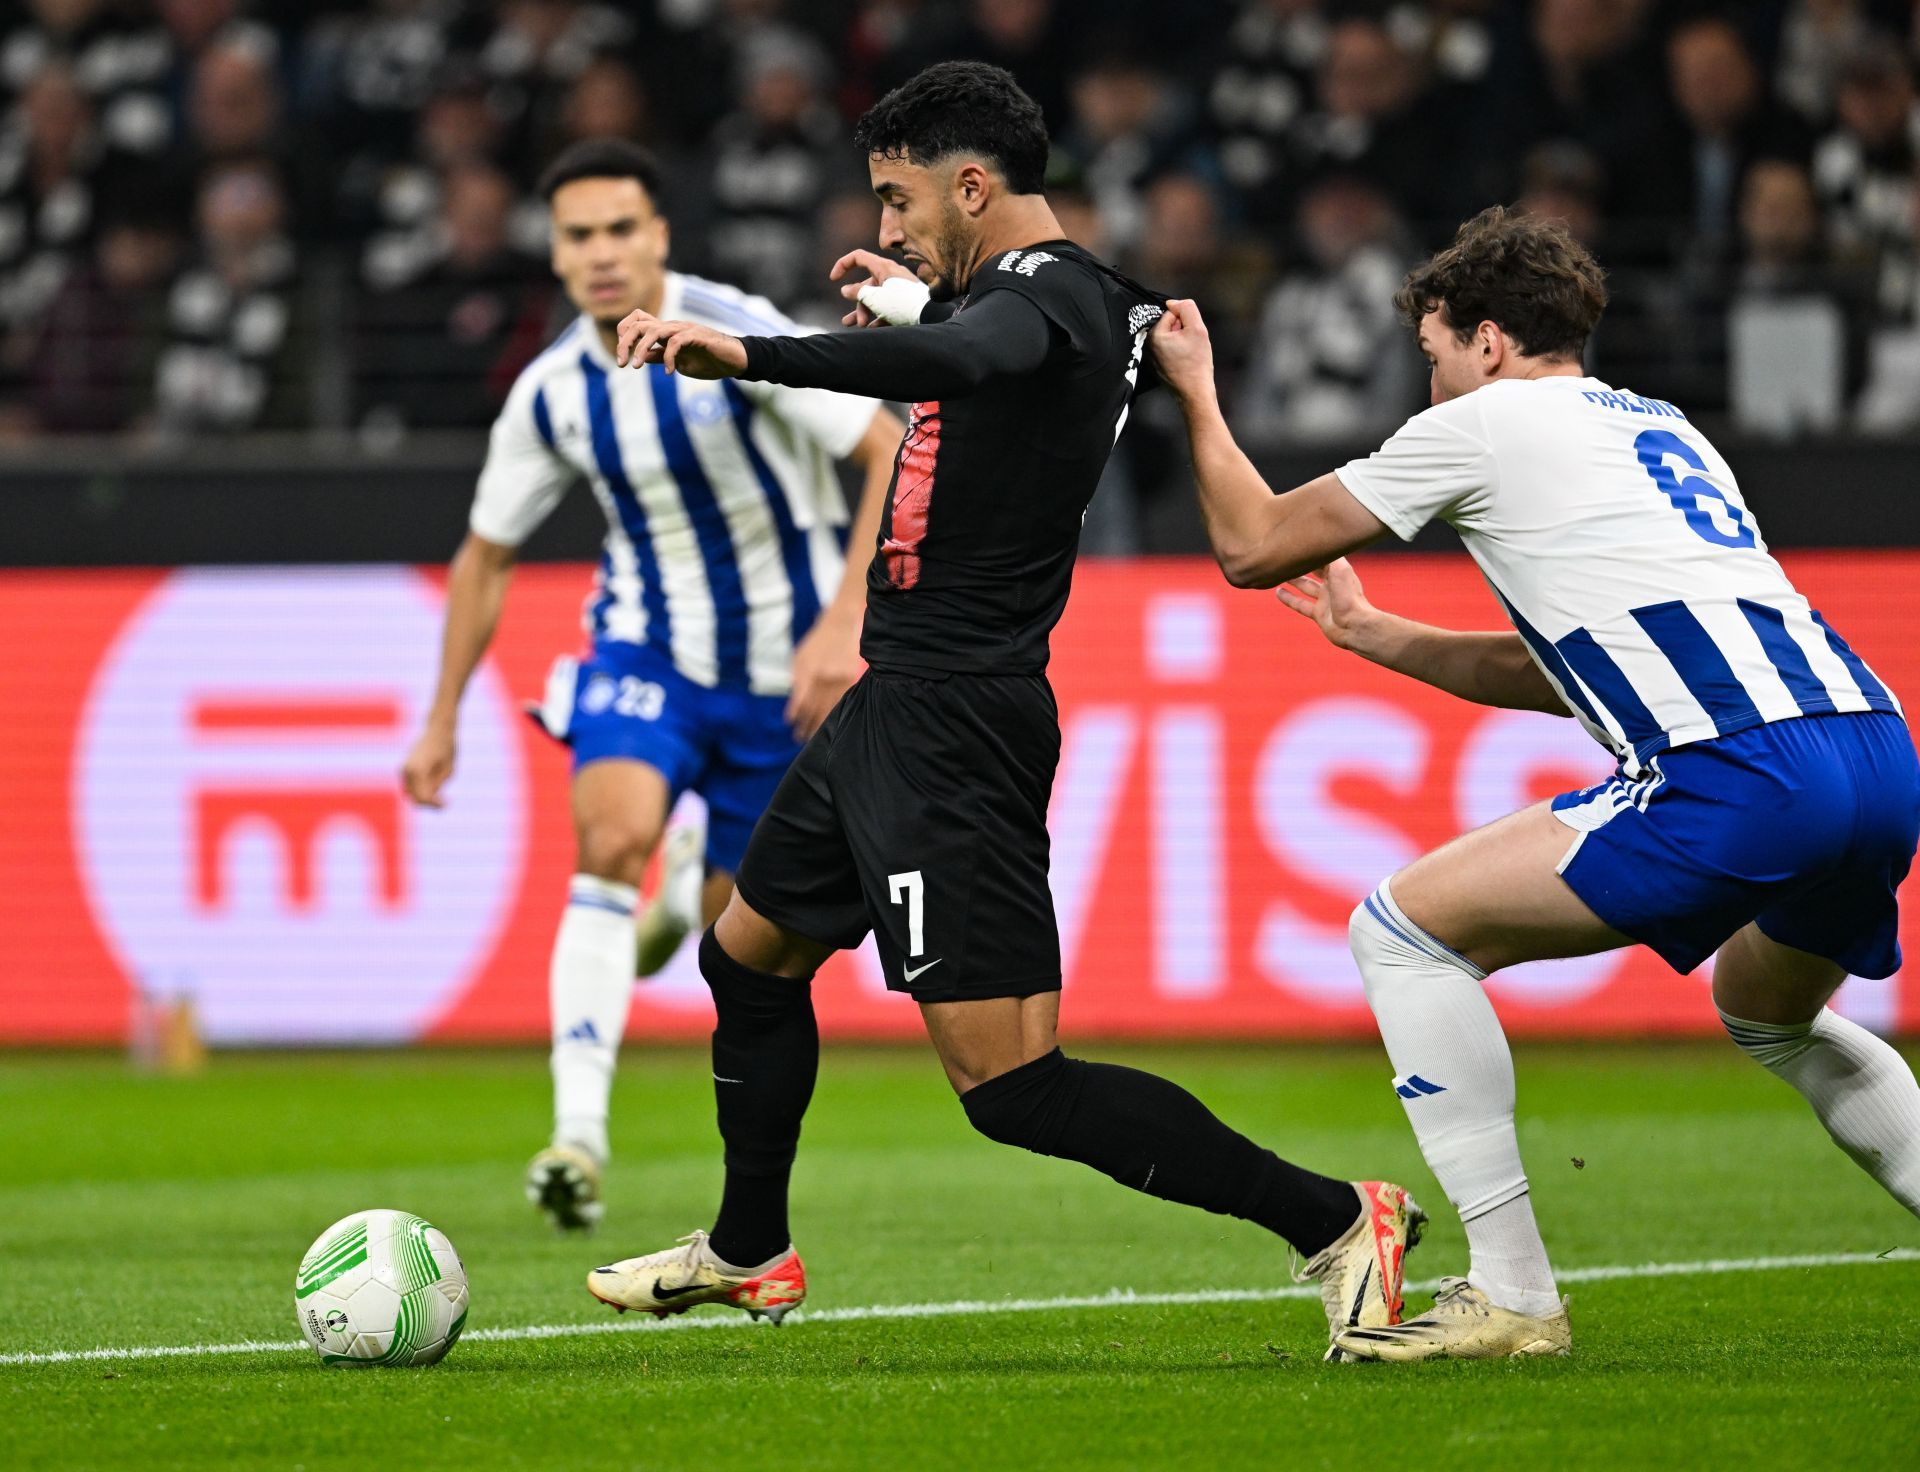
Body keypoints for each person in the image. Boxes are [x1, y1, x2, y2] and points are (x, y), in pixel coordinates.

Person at [585, 61, 1425, 1354]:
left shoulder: (1067, 294)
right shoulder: (1021, 299)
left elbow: (978, 351)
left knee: (1011, 1085)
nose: (884, 228)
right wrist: (915, 294)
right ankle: (750, 1250)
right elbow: (971, 333)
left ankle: (1330, 1219)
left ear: (972, 184)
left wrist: (744, 352)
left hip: (955, 727)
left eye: (899, 200)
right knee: (746, 956)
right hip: (889, 703)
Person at [1149, 204, 1920, 1361]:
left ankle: (1514, 1293)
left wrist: (1197, 392)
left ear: (1491, 342)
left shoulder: (1488, 424)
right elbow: (1576, 665)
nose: (1432, 389)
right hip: (1873, 749)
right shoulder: (1662, 425)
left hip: (1740, 769)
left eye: (1436, 356)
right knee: (1768, 1011)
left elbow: (1256, 544)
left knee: (1402, 930)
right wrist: (1380, 637)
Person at [399, 138, 903, 1232]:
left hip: (786, 678)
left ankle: (683, 895)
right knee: (609, 837)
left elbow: (884, 442)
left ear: (660, 236)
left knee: (746, 939)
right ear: (556, 252)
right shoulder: (551, 395)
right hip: (645, 654)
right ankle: (577, 1135)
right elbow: (486, 552)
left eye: (621, 228)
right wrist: (439, 717)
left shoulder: (734, 333)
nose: (601, 252)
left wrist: (844, 618)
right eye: (579, 235)